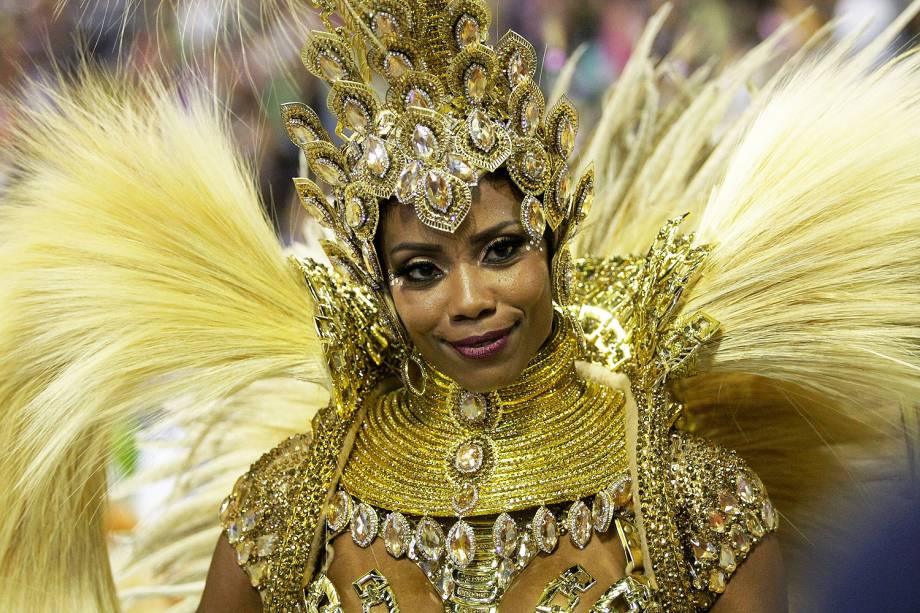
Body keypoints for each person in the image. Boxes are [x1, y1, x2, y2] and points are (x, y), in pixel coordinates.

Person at [0, 1, 918, 612]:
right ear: (381, 285)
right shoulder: (292, 499)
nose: (470, 300)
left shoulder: (692, 500)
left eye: (502, 249)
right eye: (421, 269)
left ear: (554, 240)